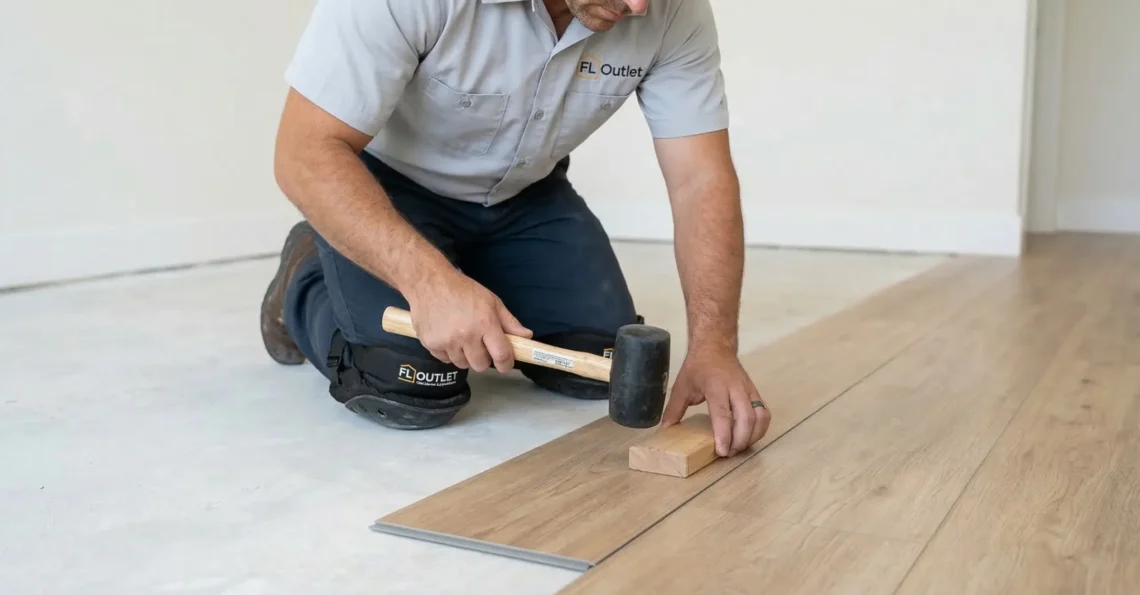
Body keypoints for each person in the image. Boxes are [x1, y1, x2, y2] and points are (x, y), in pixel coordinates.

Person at [261, 0, 770, 457]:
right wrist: (429, 283)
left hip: (523, 197)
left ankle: (472, 272)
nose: (638, 5)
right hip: (390, 191)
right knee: (410, 382)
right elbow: (304, 153)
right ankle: (306, 272)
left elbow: (700, 180)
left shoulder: (673, 11)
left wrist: (714, 347)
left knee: (595, 364)